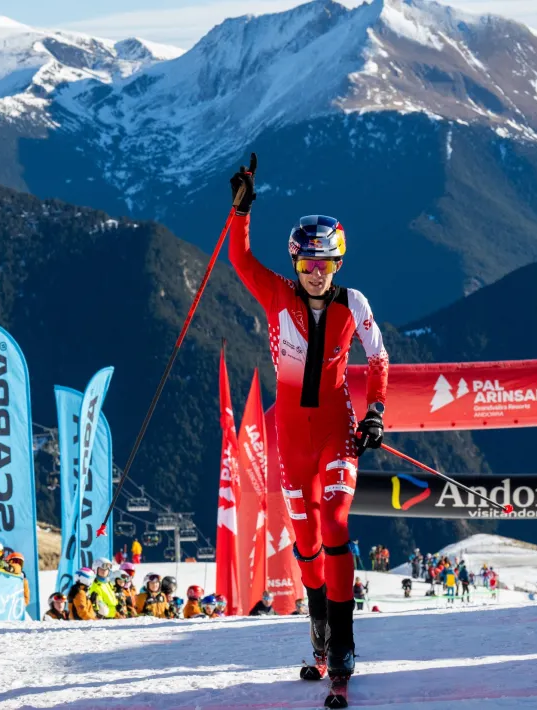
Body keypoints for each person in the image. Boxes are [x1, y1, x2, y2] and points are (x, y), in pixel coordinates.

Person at [228, 157, 389, 685]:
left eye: (324, 264)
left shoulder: (354, 303)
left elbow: (379, 358)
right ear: (295, 264)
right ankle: (319, 634)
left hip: (337, 434)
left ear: (338, 264)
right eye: (306, 264)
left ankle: (343, 645)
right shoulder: (277, 295)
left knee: (337, 523)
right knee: (305, 545)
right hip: (291, 439)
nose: (314, 273)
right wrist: (242, 208)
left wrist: (375, 414)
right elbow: (240, 258)